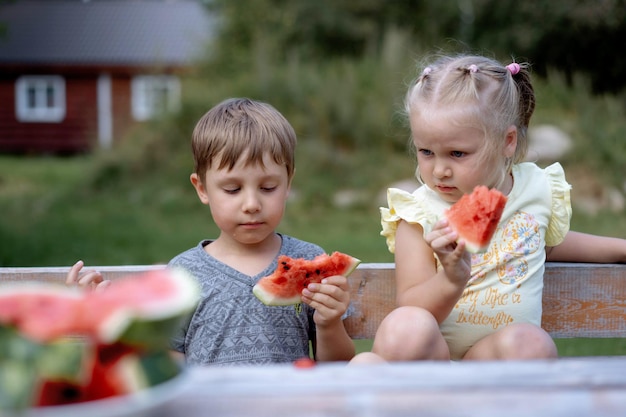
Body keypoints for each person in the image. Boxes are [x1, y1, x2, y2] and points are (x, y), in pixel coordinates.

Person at [350, 54, 626, 364]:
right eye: (426, 152)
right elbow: (411, 306)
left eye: (457, 153)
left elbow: (544, 244)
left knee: (531, 343)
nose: (439, 170)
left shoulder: (535, 188)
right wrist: (451, 279)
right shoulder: (417, 213)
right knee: (405, 326)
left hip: (495, 364)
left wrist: (619, 249)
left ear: (507, 141)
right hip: (433, 364)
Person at [67, 98, 355, 366]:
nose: (252, 204)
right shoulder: (182, 273)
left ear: (289, 183)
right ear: (202, 188)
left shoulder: (309, 259)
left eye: (268, 188)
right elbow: (167, 367)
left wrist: (329, 323)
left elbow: (336, 367)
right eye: (232, 189)